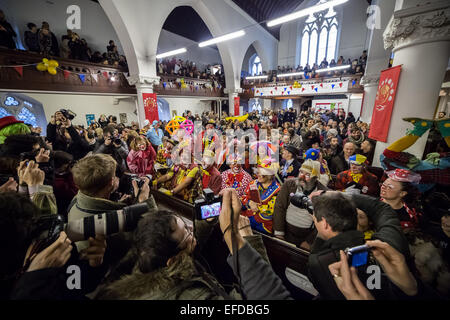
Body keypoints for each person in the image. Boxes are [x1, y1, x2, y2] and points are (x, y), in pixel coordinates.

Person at [95, 188, 291, 300]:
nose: (191, 229)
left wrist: (205, 223)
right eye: (187, 231)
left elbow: (184, 244)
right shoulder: (194, 298)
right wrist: (244, 238)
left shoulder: (143, 258)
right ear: (172, 261)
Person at [308, 191, 410, 300]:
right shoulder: (388, 245)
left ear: (325, 224)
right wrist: (343, 198)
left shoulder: (319, 262)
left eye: (315, 218)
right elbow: (382, 209)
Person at [273, 159, 327, 248]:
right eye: (301, 172)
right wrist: (279, 232)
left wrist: (309, 241)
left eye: (307, 175)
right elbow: (280, 207)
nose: (302, 177)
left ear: (315, 178)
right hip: (285, 231)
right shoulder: (289, 184)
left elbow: (323, 220)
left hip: (306, 236)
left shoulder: (322, 192)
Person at [241, 158, 281, 235]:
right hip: (246, 219)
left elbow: (270, 212)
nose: (258, 175)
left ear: (270, 175)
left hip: (264, 226)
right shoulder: (253, 183)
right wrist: (249, 202)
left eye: (262, 173)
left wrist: (255, 207)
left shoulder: (277, 190)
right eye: (258, 172)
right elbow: (243, 197)